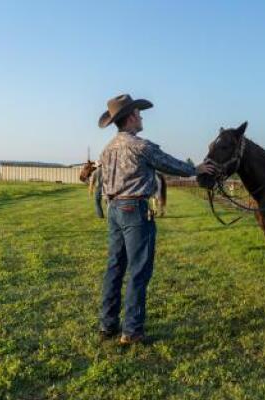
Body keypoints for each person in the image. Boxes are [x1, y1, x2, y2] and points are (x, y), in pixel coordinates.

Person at [97, 94, 214, 345]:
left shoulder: (107, 150)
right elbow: (171, 164)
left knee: (115, 267)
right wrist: (197, 168)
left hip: (114, 209)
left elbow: (104, 182)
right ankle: (132, 330)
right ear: (130, 117)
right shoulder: (140, 146)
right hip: (136, 210)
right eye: (139, 113)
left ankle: (108, 325)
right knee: (139, 270)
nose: (141, 117)